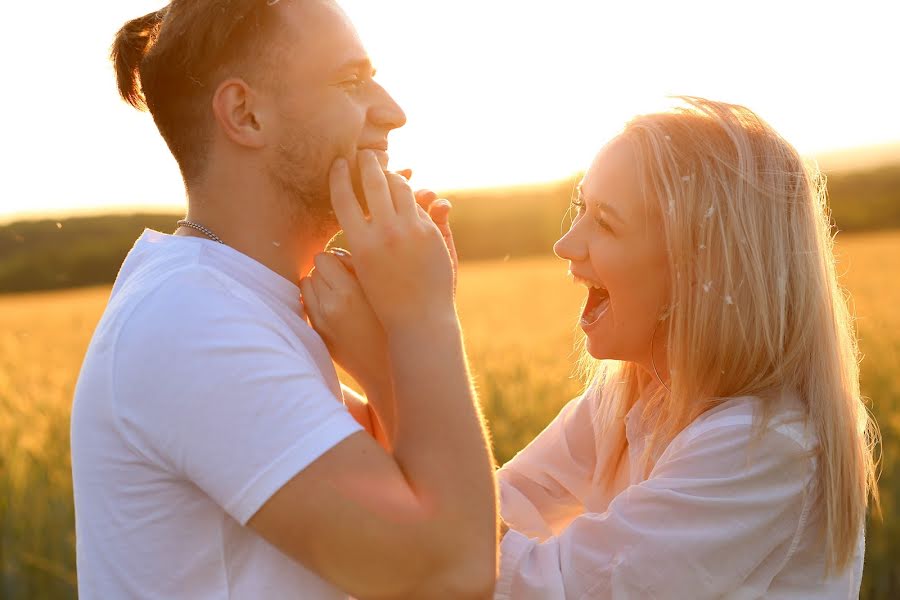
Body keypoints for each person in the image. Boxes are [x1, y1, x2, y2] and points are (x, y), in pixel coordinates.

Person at [306, 97, 880, 598]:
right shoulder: (629, 402)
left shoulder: (765, 449)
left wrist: (402, 351)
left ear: (701, 265)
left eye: (605, 223)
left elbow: (529, 586)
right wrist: (402, 339)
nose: (565, 244)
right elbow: (466, 514)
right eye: (581, 209)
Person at [70, 1, 497, 598]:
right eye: (351, 82)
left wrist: (389, 343)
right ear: (245, 115)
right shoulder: (190, 322)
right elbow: (452, 573)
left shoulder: (246, 303)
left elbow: (441, 506)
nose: (393, 112)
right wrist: (422, 315)